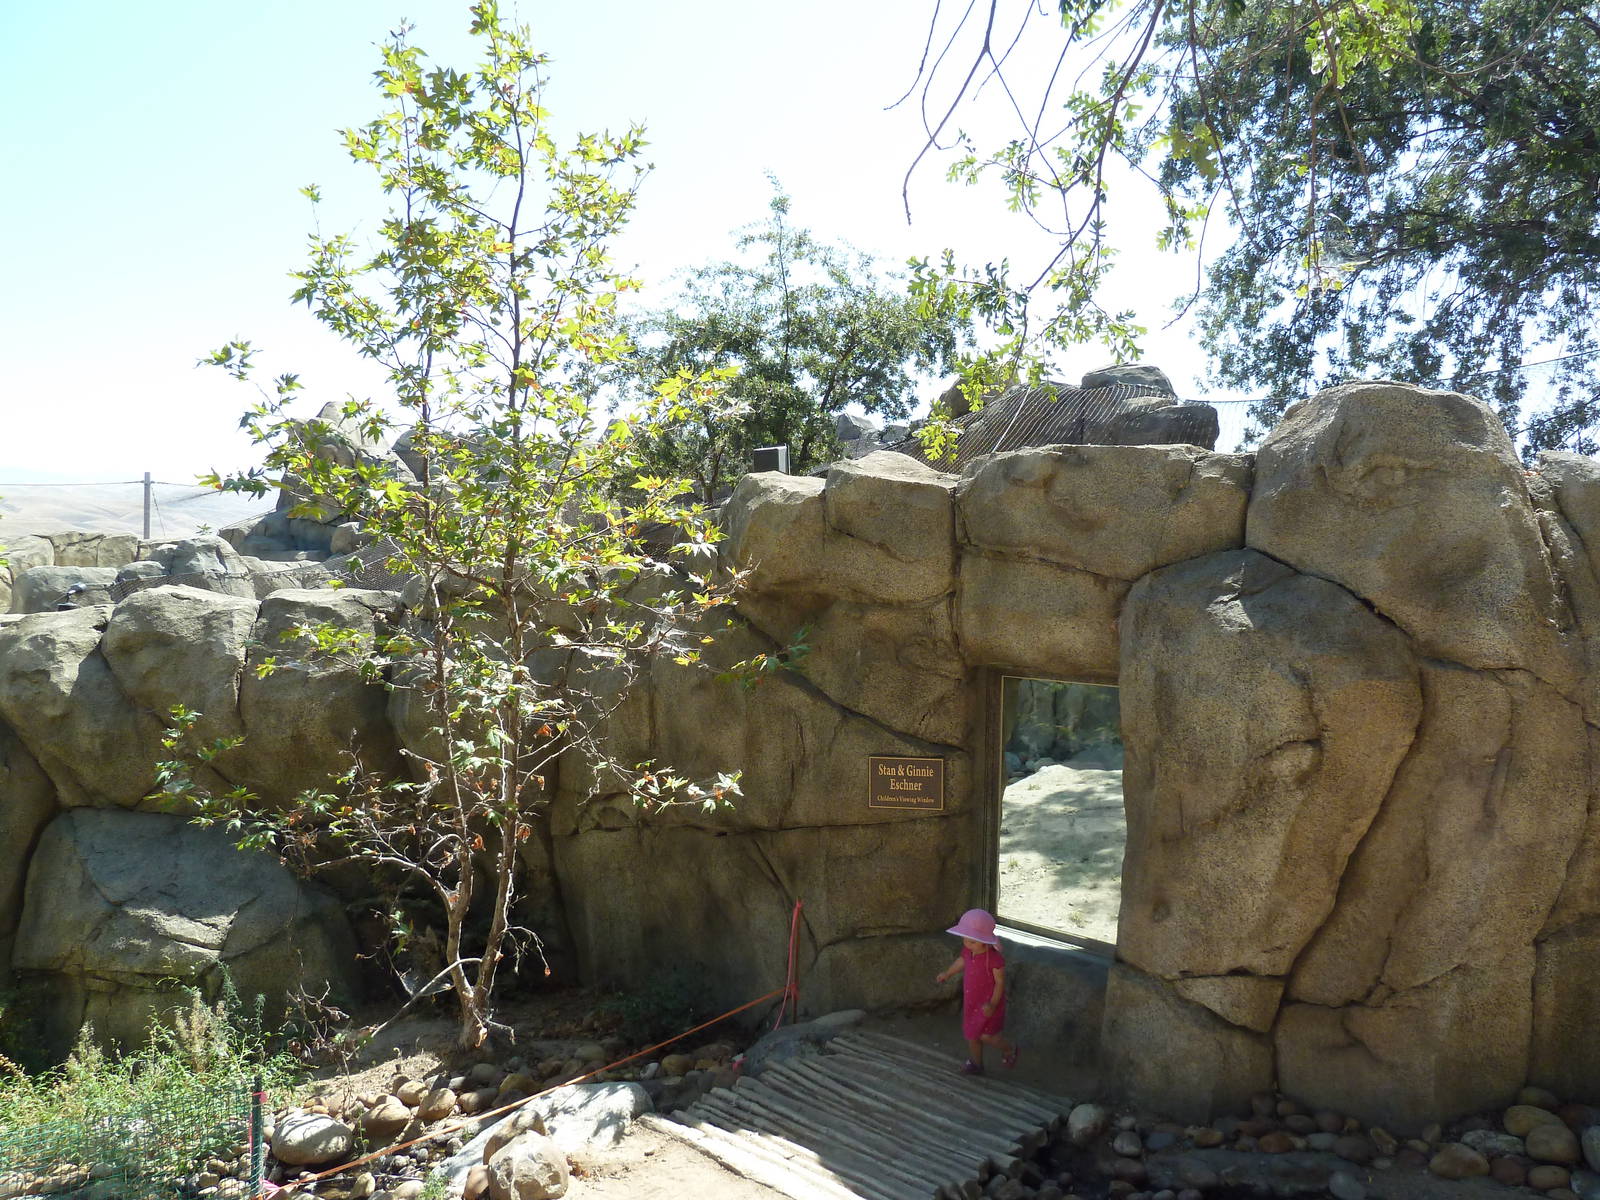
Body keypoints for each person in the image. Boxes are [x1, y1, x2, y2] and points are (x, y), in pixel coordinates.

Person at [935, 908, 1019, 1075]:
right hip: (972, 1001)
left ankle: (1010, 1049)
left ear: (985, 941)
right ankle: (976, 1064)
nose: (967, 943)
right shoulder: (968, 951)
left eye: (972, 941)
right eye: (965, 939)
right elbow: (961, 961)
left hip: (989, 1005)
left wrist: (993, 1004)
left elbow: (999, 983)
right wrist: (948, 973)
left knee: (988, 1036)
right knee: (972, 1035)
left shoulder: (995, 960)